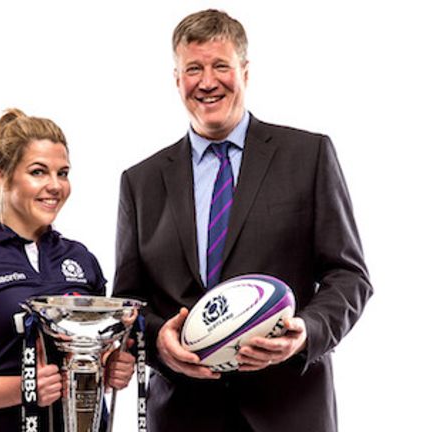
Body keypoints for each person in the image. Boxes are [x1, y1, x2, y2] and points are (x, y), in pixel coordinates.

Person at [113, 9, 373, 432]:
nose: (207, 81)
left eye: (221, 66)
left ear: (245, 72)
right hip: (182, 414)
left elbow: (349, 275)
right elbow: (129, 302)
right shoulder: (140, 182)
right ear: (176, 79)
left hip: (288, 410)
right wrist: (159, 344)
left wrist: (306, 331)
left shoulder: (308, 157)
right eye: (193, 68)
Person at [0, 108, 135, 432]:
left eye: (62, 173)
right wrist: (24, 387)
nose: (55, 186)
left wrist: (110, 368)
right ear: (1, 175)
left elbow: (89, 357)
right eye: (38, 172)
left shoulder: (81, 260)